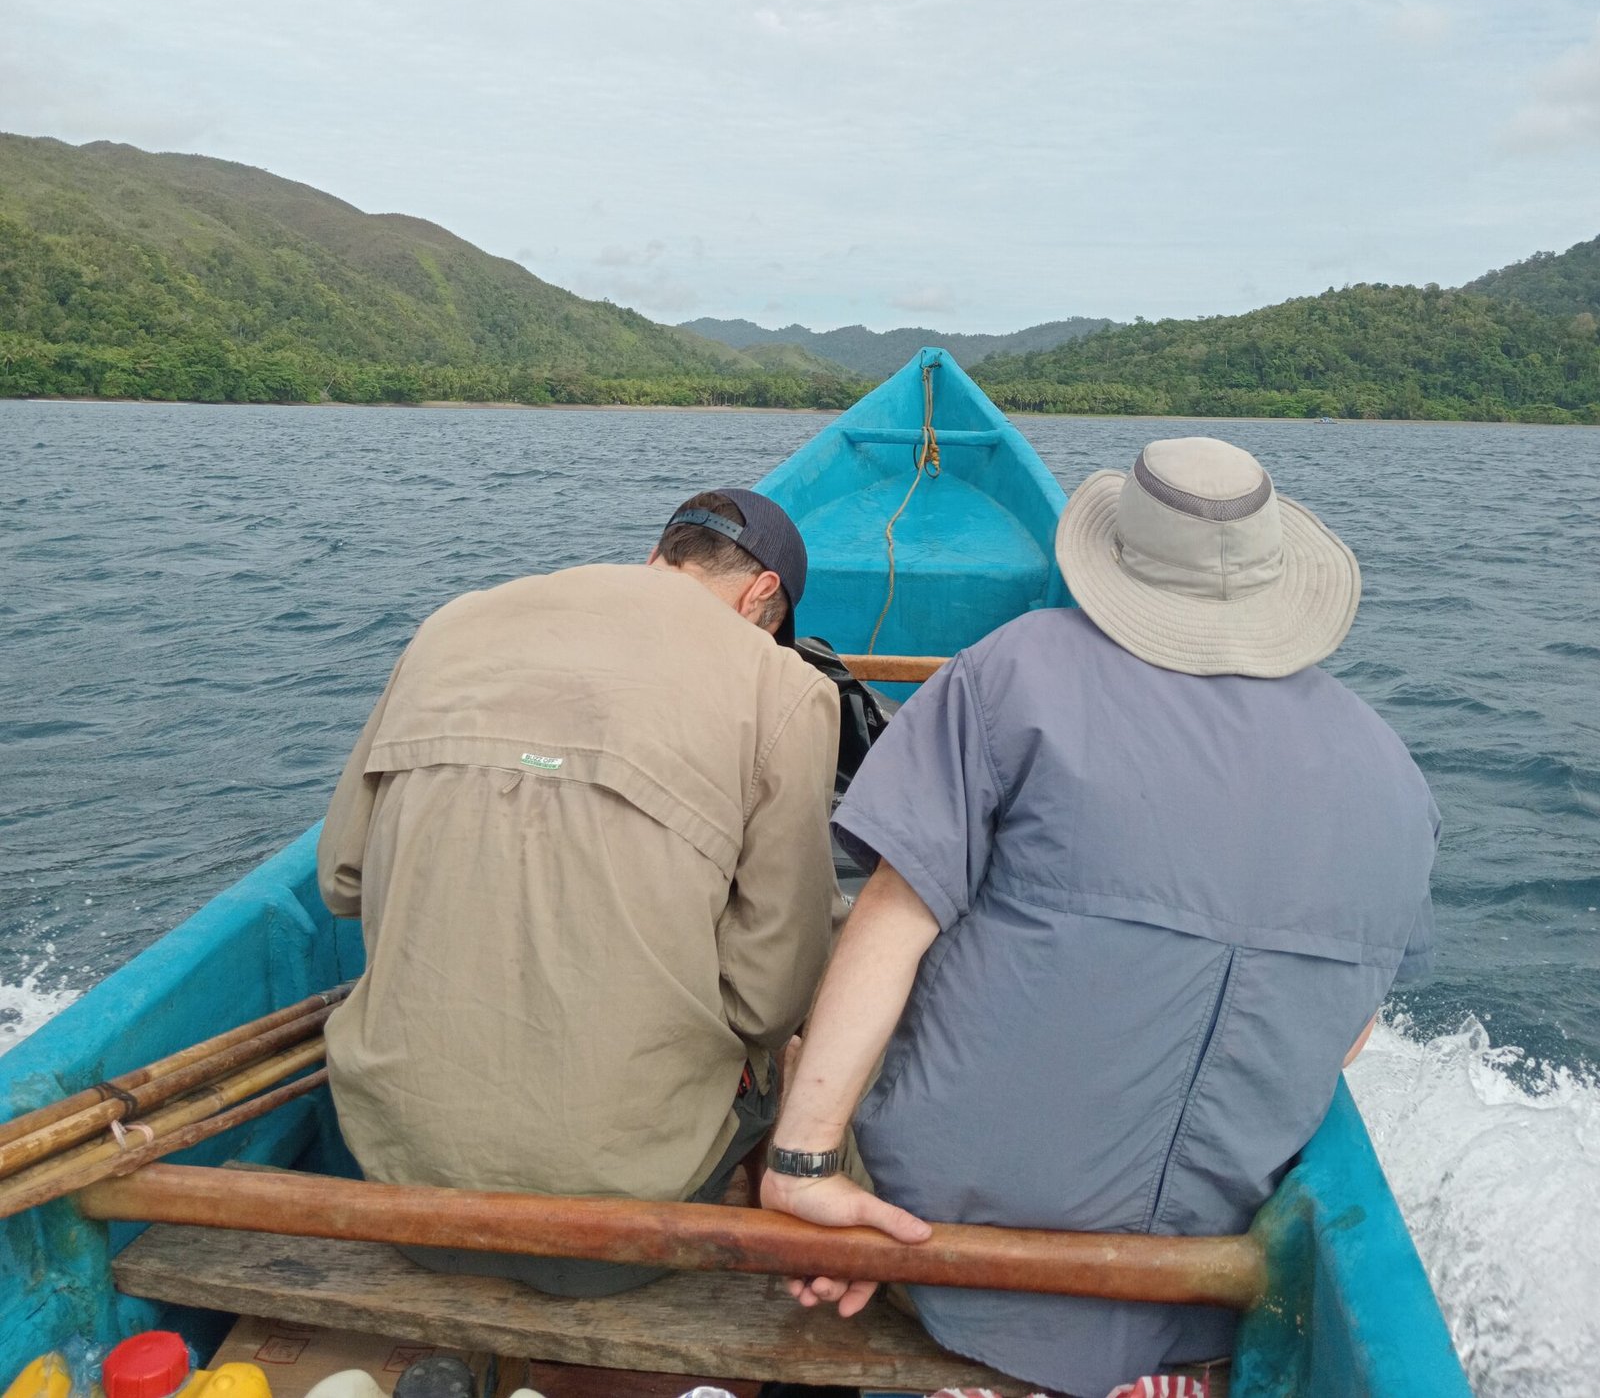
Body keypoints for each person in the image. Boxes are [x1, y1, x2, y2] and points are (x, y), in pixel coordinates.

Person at [760, 438, 1440, 1398]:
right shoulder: (1396, 777)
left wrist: (801, 1162)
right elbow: (1350, 1034)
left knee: (827, 994)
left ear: (1116, 558)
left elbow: (892, 920)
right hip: (1202, 1294)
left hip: (953, 1261)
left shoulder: (1011, 669)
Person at [317, 487, 839, 1296]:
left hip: (404, 1182)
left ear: (658, 555)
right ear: (761, 594)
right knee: (798, 1049)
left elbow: (341, 878)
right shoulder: (784, 685)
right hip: (618, 1223)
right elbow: (767, 1002)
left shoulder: (450, 625)